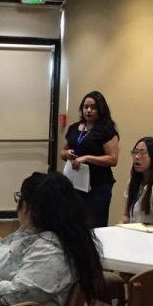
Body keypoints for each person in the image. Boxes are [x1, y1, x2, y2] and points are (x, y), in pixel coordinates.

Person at [0, 171, 104, 306]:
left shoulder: (52, 250)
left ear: (29, 206)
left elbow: (18, 296)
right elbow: (9, 260)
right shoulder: (35, 231)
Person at [60, 91, 120, 228]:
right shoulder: (74, 128)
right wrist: (67, 153)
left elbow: (112, 159)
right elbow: (62, 153)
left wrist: (87, 158)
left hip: (97, 186)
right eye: (85, 107)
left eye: (93, 107)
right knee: (74, 224)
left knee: (94, 225)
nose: (88, 110)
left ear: (101, 109)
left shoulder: (106, 130)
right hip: (75, 183)